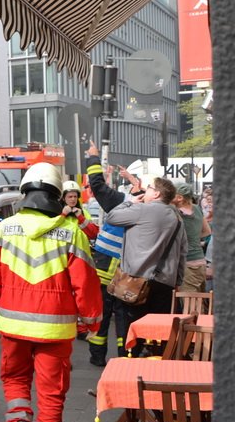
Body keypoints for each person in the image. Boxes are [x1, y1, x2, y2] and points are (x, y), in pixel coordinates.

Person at [0, 162, 101, 422]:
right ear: (56, 194)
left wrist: (3, 308)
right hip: (56, 330)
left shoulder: (3, 229)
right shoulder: (73, 233)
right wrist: (91, 323)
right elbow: (86, 284)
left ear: (25, 192)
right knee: (51, 394)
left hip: (13, 326)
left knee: (15, 381)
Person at [105, 177, 187, 337]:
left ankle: (131, 360)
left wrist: (130, 202)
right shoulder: (178, 218)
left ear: (156, 193)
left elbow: (112, 217)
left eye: (149, 187)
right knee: (157, 335)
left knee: (132, 332)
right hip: (165, 284)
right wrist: (177, 281)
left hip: (136, 282)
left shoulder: (142, 209)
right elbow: (183, 253)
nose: (146, 190)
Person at [83, 144, 140, 366]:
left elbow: (96, 184)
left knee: (102, 314)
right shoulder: (150, 209)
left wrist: (93, 158)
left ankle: (97, 357)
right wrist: (133, 179)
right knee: (123, 316)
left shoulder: (121, 203)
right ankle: (125, 356)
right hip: (128, 274)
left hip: (105, 267)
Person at [173, 181, 211, 294]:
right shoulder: (197, 209)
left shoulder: (175, 211)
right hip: (200, 261)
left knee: (189, 304)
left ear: (179, 197)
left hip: (186, 264)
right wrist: (193, 238)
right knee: (200, 299)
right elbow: (207, 231)